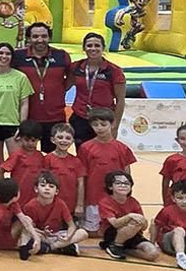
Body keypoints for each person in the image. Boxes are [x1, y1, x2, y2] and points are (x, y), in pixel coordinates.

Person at [77, 107, 137, 235]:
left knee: (115, 230)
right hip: (93, 198)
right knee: (92, 232)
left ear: (112, 124)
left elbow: (127, 176)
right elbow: (81, 176)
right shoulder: (85, 148)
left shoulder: (122, 148)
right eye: (95, 125)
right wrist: (80, 202)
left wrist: (126, 198)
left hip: (114, 200)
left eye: (103, 124)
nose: (99, 128)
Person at [17, 23, 71, 152]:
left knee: (53, 158)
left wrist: (59, 89)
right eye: (35, 36)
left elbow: (72, 78)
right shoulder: (18, 57)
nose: (40, 40)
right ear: (29, 38)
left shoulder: (61, 56)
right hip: (28, 117)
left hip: (55, 117)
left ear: (49, 38)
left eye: (44, 36)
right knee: (27, 158)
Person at [66, 33, 126, 144]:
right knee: (82, 153)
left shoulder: (114, 71)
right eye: (89, 45)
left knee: (103, 154)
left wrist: (115, 125)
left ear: (103, 48)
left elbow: (120, 100)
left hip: (104, 119)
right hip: (80, 117)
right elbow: (64, 87)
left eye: (97, 45)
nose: (93, 48)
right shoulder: (76, 67)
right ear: (84, 48)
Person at [16, 171, 87, 259]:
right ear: (36, 189)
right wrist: (42, 232)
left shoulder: (61, 204)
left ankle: (50, 248)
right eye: (43, 185)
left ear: (56, 191)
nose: (47, 189)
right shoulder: (30, 206)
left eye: (51, 186)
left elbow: (71, 225)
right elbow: (29, 227)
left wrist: (68, 236)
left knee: (83, 233)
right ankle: (62, 247)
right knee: (24, 235)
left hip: (56, 235)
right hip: (41, 235)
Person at [97, 171, 160, 261]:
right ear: (110, 187)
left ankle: (125, 249)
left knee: (153, 254)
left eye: (126, 183)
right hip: (113, 233)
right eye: (118, 183)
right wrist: (130, 216)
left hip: (133, 234)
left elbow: (143, 227)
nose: (123, 185)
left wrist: (143, 221)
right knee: (134, 223)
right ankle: (116, 245)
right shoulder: (105, 202)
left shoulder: (134, 202)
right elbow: (115, 223)